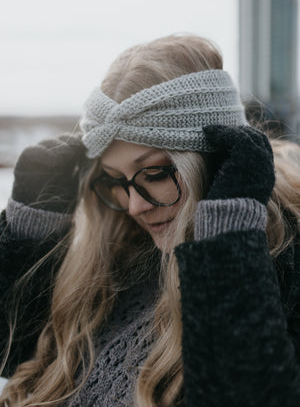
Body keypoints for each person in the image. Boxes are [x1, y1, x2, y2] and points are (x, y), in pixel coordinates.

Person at [0, 34, 300, 407]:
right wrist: (31, 229)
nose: (134, 207)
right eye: (114, 179)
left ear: (219, 161)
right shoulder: (117, 262)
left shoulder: (283, 270)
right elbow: (16, 358)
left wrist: (228, 247)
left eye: (156, 172)